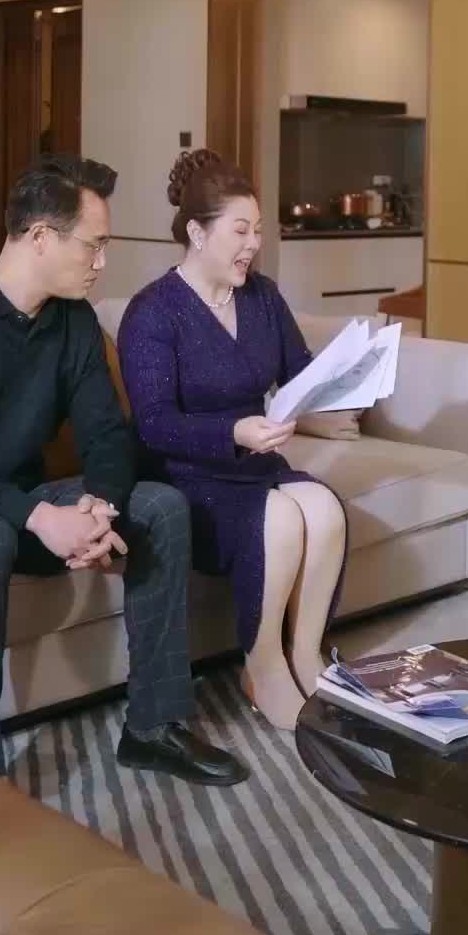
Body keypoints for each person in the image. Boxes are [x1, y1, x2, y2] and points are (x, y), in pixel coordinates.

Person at [0, 156, 246, 786]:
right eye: (94, 245)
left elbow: (106, 433)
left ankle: (154, 727)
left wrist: (98, 506)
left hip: (14, 501)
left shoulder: (73, 320)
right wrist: (37, 516)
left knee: (160, 506)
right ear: (41, 237)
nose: (102, 262)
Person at [117, 150, 347, 732]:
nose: (254, 244)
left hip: (253, 467)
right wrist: (234, 430)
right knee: (281, 517)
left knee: (323, 508)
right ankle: (262, 665)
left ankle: (305, 654)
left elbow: (298, 371)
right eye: (240, 231)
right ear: (197, 233)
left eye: (258, 231)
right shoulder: (152, 312)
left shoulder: (261, 296)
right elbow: (154, 424)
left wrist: (347, 377)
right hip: (186, 477)